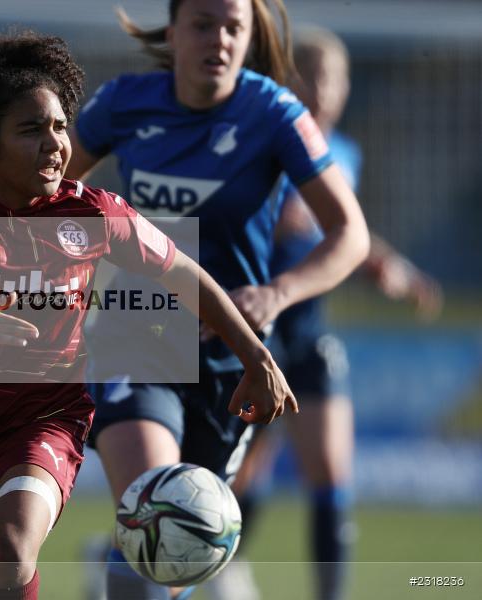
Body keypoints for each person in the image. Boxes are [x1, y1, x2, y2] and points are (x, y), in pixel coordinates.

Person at [0, 27, 297, 600]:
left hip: (42, 417)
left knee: (10, 551)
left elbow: (185, 274)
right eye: (31, 130)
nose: (55, 144)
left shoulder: (94, 212)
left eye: (60, 126)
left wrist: (254, 354)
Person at [64, 1, 371, 599]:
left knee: (182, 553)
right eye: (204, 24)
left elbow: (350, 234)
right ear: (174, 30)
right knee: (156, 507)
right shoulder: (122, 103)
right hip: (139, 334)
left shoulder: (275, 111)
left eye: (235, 28)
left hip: (233, 359)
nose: (221, 39)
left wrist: (277, 293)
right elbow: (44, 198)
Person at [210, 27, 444, 600]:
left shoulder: (346, 155)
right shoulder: (264, 141)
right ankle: (172, 565)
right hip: (251, 327)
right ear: (286, 83)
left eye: (330, 78)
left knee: (330, 471)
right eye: (306, 76)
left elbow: (347, 232)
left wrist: (397, 270)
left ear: (344, 88)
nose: (319, 89)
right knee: (236, 477)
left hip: (308, 327)